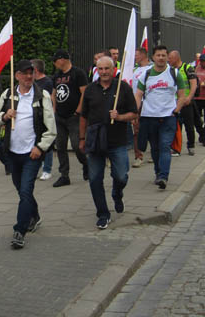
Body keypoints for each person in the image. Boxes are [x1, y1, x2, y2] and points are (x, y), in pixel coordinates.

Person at [0, 60, 56, 248]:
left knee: (26, 190)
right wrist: (5, 116)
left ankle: (20, 230)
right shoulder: (8, 95)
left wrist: (40, 147)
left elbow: (51, 129)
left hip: (32, 154)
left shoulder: (42, 96)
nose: (28, 76)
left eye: (31, 73)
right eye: (24, 73)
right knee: (22, 191)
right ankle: (34, 215)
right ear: (17, 75)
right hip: (12, 153)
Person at [79, 57, 137, 229]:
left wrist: (120, 117)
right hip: (95, 140)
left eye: (107, 68)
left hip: (117, 141)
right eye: (100, 69)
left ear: (113, 70)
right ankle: (103, 214)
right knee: (95, 179)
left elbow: (134, 113)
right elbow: (83, 116)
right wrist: (81, 139)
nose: (104, 72)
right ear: (97, 70)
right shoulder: (90, 89)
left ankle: (117, 193)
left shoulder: (123, 88)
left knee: (121, 176)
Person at [135, 46, 187, 189]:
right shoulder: (145, 75)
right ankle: (158, 172)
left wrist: (176, 110)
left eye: (164, 55)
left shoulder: (174, 73)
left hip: (168, 117)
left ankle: (163, 176)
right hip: (149, 117)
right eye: (158, 55)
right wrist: (135, 112)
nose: (161, 58)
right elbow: (138, 95)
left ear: (167, 57)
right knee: (155, 148)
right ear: (153, 57)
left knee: (165, 146)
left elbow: (182, 95)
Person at [50, 49, 89, 186]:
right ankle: (64, 175)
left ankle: (86, 164)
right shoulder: (57, 76)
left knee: (77, 145)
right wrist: (54, 109)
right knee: (60, 146)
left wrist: (78, 111)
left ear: (62, 59)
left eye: (55, 61)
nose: (54, 64)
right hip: (60, 116)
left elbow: (84, 93)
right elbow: (54, 93)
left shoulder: (78, 73)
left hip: (74, 116)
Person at [168, 50, 198, 155]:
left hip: (186, 102)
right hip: (174, 103)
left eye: (170, 58)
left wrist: (189, 97)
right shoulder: (170, 70)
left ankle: (191, 146)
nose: (168, 60)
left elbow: (194, 84)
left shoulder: (188, 68)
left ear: (176, 58)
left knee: (189, 125)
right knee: (176, 126)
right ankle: (176, 148)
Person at [31, 59, 55, 180]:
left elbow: (50, 99)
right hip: (35, 116)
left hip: (43, 115)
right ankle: (36, 167)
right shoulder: (33, 82)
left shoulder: (47, 82)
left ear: (35, 70)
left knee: (47, 142)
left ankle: (47, 169)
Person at [131, 48, 152, 167]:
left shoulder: (152, 69)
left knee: (151, 129)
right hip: (137, 103)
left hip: (149, 103)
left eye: (136, 55)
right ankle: (138, 156)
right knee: (136, 130)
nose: (135, 57)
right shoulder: (134, 69)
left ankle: (154, 152)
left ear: (143, 55)